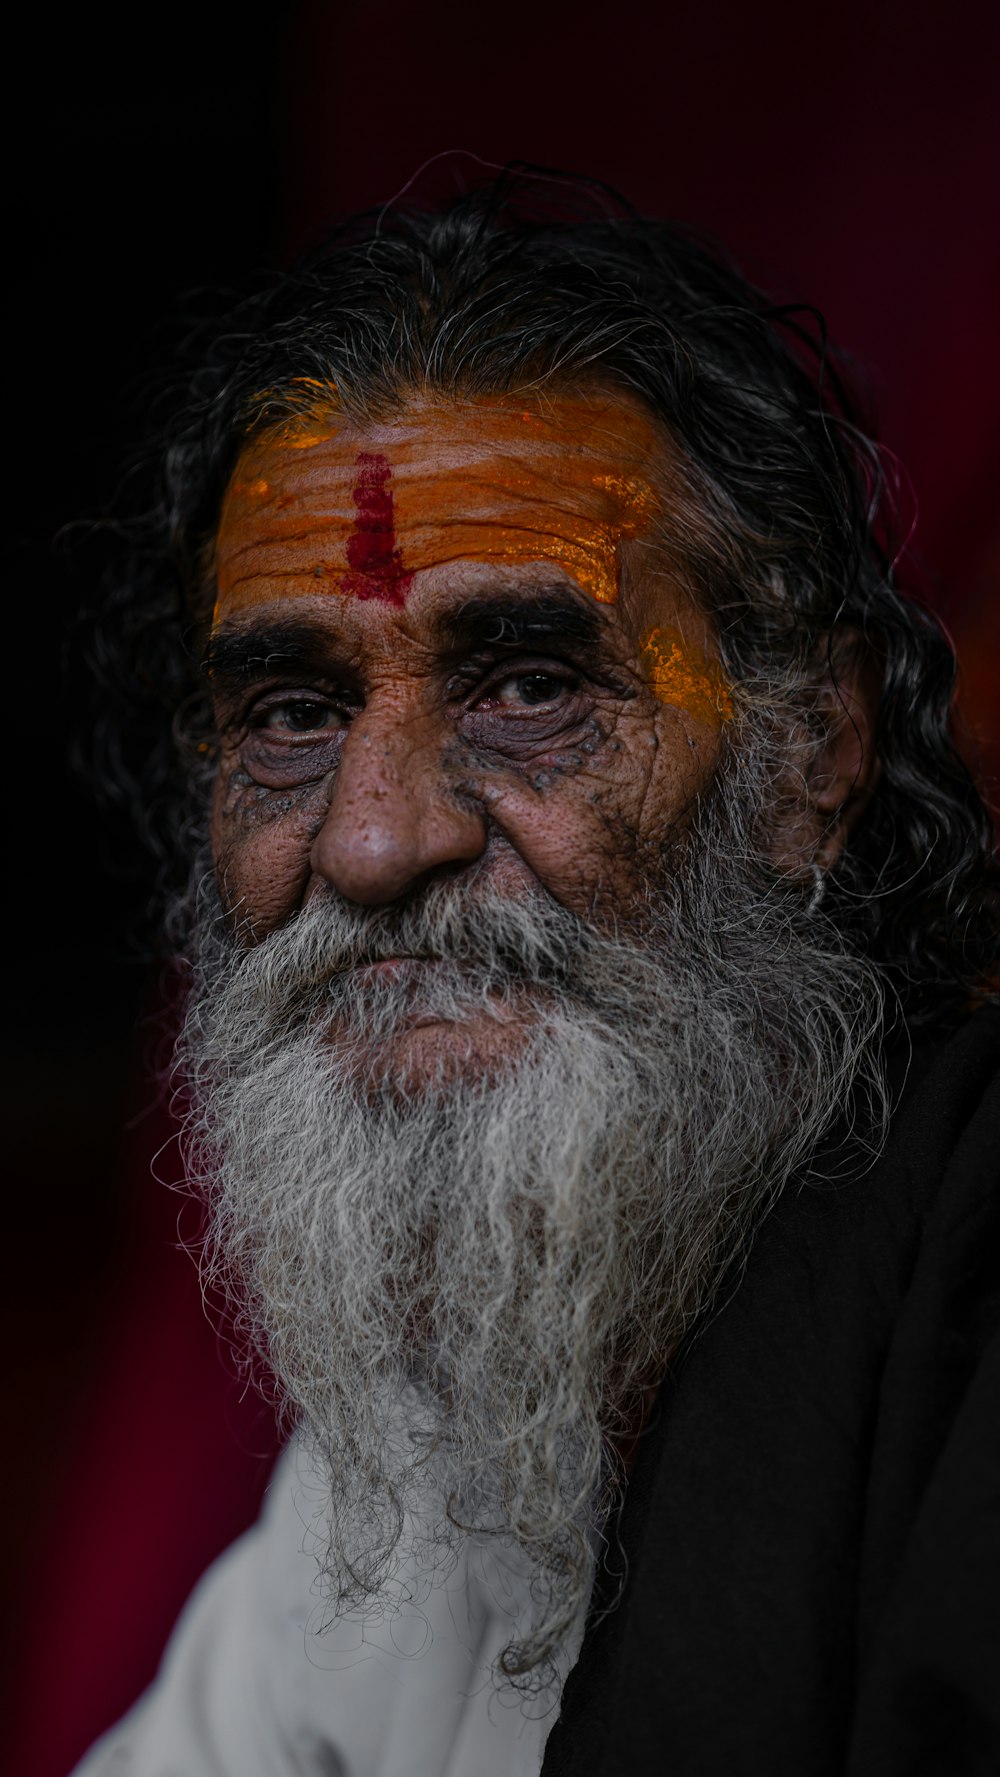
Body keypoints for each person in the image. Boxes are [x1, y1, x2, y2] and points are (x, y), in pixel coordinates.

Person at [76, 175, 999, 1776]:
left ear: (811, 758)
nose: (370, 843)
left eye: (527, 684)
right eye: (291, 712)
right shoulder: (415, 1469)